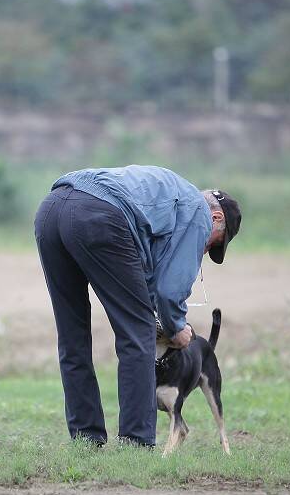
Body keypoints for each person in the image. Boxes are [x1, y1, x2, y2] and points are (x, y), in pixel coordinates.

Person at [35, 165, 241, 448]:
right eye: (212, 245)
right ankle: (136, 442)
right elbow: (169, 291)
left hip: (51, 209)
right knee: (138, 333)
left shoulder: (170, 196)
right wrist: (176, 327)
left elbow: (142, 275)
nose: (205, 251)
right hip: (99, 215)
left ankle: (86, 439)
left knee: (72, 336)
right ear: (216, 218)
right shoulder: (198, 213)